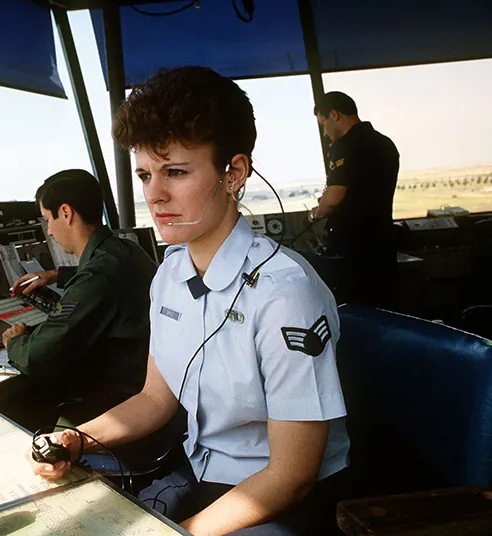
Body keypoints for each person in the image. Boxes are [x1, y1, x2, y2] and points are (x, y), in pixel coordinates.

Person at [29, 67, 351, 535]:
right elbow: (156, 398)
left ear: (233, 173)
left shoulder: (285, 293)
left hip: (278, 500)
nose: (155, 195)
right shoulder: (171, 273)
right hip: (203, 472)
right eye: (145, 175)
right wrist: (76, 440)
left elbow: (292, 476)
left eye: (176, 172)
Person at [2, 169, 157, 425]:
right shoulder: (127, 250)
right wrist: (55, 275)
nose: (49, 231)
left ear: (66, 213)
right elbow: (105, 273)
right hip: (148, 390)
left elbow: (37, 356)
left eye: (48, 220)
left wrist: (16, 342)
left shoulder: (95, 280)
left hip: (119, 406)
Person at [310, 91, 400, 307]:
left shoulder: (344, 146)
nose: (324, 133)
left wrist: (315, 213)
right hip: (383, 244)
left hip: (352, 250)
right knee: (382, 311)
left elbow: (333, 199)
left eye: (324, 124)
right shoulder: (385, 143)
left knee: (352, 312)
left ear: (334, 114)